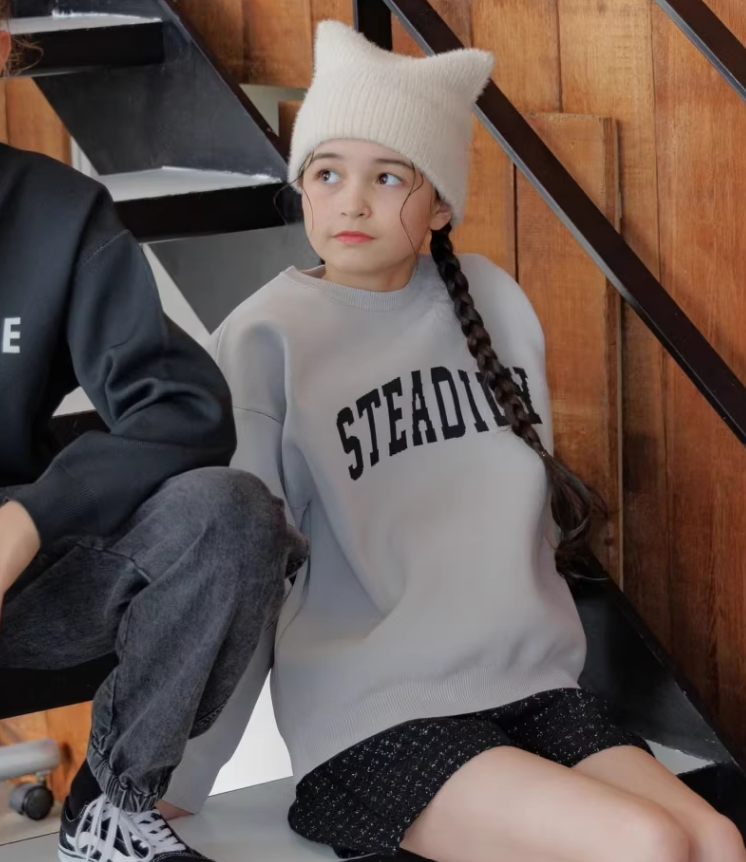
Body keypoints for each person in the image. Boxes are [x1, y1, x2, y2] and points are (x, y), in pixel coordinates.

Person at [181, 20, 743, 862]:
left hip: (532, 688)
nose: (352, 202)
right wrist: (186, 771)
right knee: (647, 843)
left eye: (388, 177)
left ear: (440, 204)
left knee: (717, 838)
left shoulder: (494, 299)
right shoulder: (265, 338)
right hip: (375, 718)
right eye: (327, 173)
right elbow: (241, 571)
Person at [0, 14, 307, 862]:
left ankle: (112, 804)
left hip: (18, 583)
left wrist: (27, 521)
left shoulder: (57, 214)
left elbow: (182, 407)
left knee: (231, 513)